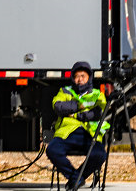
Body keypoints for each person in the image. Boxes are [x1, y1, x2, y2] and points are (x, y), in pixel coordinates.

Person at [46, 61, 108, 189]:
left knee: (100, 154)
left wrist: (76, 115)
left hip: (89, 133)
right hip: (66, 132)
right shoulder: (65, 91)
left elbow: (98, 113)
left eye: (83, 76)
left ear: (89, 78)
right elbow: (57, 106)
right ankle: (76, 179)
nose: (79, 80)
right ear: (73, 78)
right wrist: (78, 106)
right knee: (52, 150)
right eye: (77, 76)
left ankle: (77, 178)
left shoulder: (97, 94)